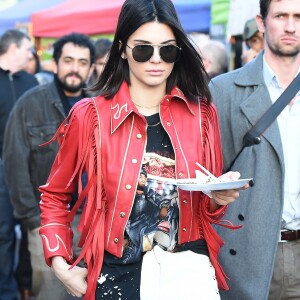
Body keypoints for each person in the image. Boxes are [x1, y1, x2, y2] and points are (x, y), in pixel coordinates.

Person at [38, 0, 248, 299]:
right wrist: (60, 264)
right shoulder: (90, 116)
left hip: (188, 272)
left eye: (168, 50)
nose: (156, 59)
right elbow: (55, 196)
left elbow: (206, 207)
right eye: (143, 49)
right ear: (123, 49)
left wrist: (218, 198)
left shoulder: (201, 115)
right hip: (117, 275)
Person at [209, 0, 300, 299]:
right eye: (281, 16)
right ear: (261, 22)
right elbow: (206, 177)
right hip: (247, 256)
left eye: (298, 16)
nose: (290, 26)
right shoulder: (223, 91)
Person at [3, 32, 95, 300]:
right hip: (46, 222)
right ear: (55, 63)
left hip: (94, 221)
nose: (75, 68)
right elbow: (14, 165)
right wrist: (33, 220)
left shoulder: (101, 105)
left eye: (82, 62)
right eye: (68, 60)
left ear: (91, 68)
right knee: (50, 293)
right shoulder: (29, 104)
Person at [0, 29, 38, 300]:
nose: (31, 54)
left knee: (31, 228)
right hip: (1, 170)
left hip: (30, 168)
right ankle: (6, 291)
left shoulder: (31, 81)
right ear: (13, 49)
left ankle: (27, 286)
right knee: (3, 233)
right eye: (28, 48)